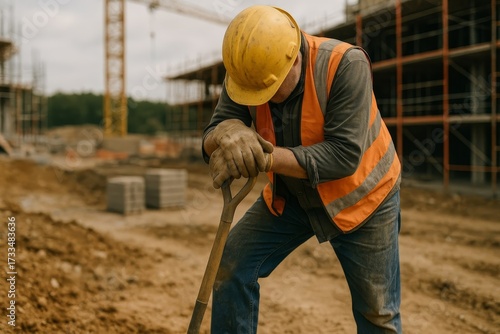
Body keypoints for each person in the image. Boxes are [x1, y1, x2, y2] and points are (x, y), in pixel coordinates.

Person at [202, 5, 402, 333]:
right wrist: (226, 132)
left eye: (268, 91)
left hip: (364, 198)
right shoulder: (249, 69)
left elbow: (342, 156)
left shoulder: (345, 65)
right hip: (292, 196)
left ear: (293, 58)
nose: (262, 100)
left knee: (377, 314)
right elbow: (216, 128)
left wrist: (266, 159)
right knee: (232, 265)